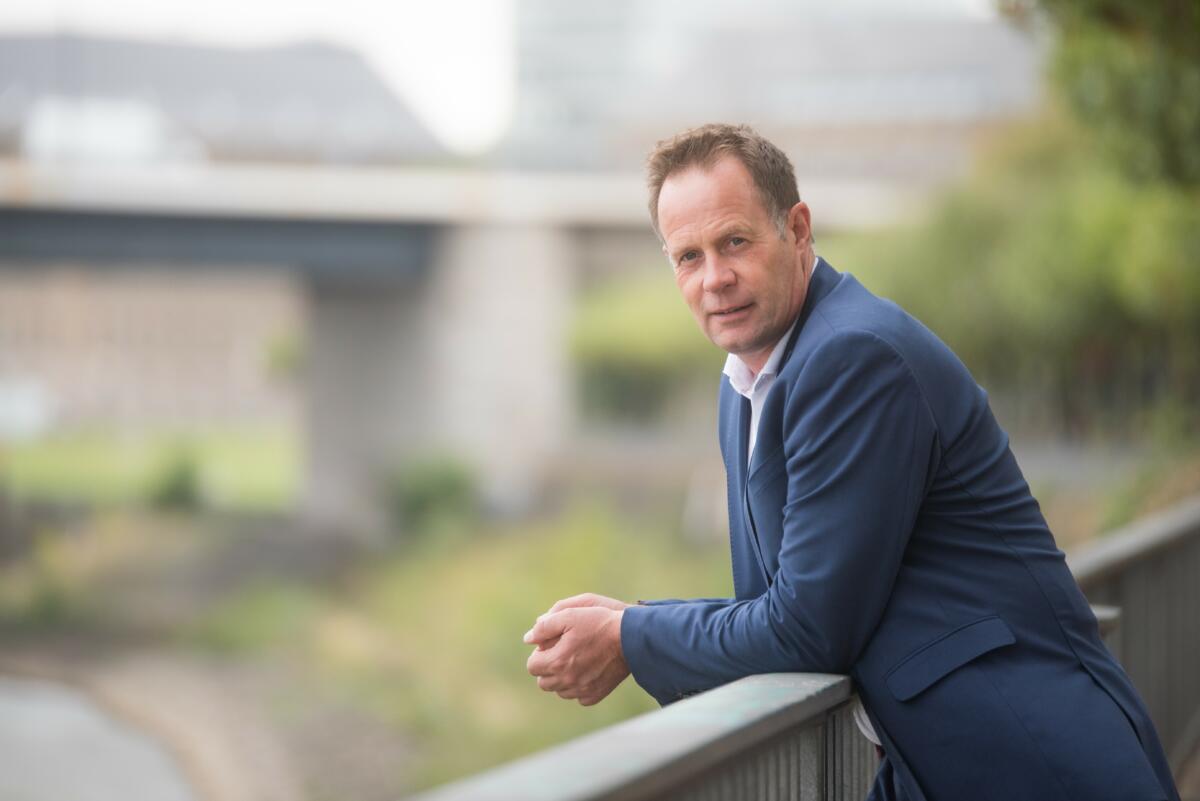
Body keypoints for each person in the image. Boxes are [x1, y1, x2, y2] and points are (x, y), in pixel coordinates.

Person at [523, 123, 1179, 801]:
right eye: (689, 257)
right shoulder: (747, 386)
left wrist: (631, 637)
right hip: (937, 764)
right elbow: (780, 605)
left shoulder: (854, 356)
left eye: (735, 242)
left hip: (1035, 764)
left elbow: (806, 629)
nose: (715, 278)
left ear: (798, 229)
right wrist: (632, 623)